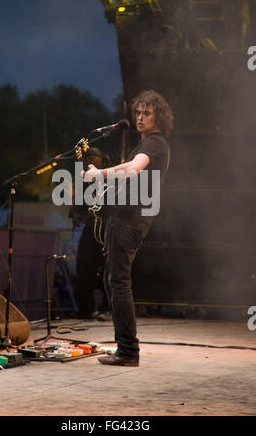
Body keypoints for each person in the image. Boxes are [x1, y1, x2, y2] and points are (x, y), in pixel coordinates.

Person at [82, 90, 174, 366]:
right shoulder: (147, 143)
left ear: (159, 116)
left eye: (147, 112)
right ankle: (125, 348)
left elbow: (134, 169)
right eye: (137, 112)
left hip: (130, 221)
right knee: (113, 281)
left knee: (118, 281)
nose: (140, 117)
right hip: (125, 217)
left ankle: (128, 351)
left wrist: (100, 174)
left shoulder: (155, 143)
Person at [70, 147, 111, 320]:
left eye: (94, 159)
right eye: (88, 160)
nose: (90, 163)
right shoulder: (83, 179)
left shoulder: (108, 177)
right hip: (91, 226)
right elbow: (78, 209)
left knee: (108, 269)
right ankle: (86, 308)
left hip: (107, 226)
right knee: (84, 266)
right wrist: (76, 212)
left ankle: (107, 308)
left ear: (102, 161)